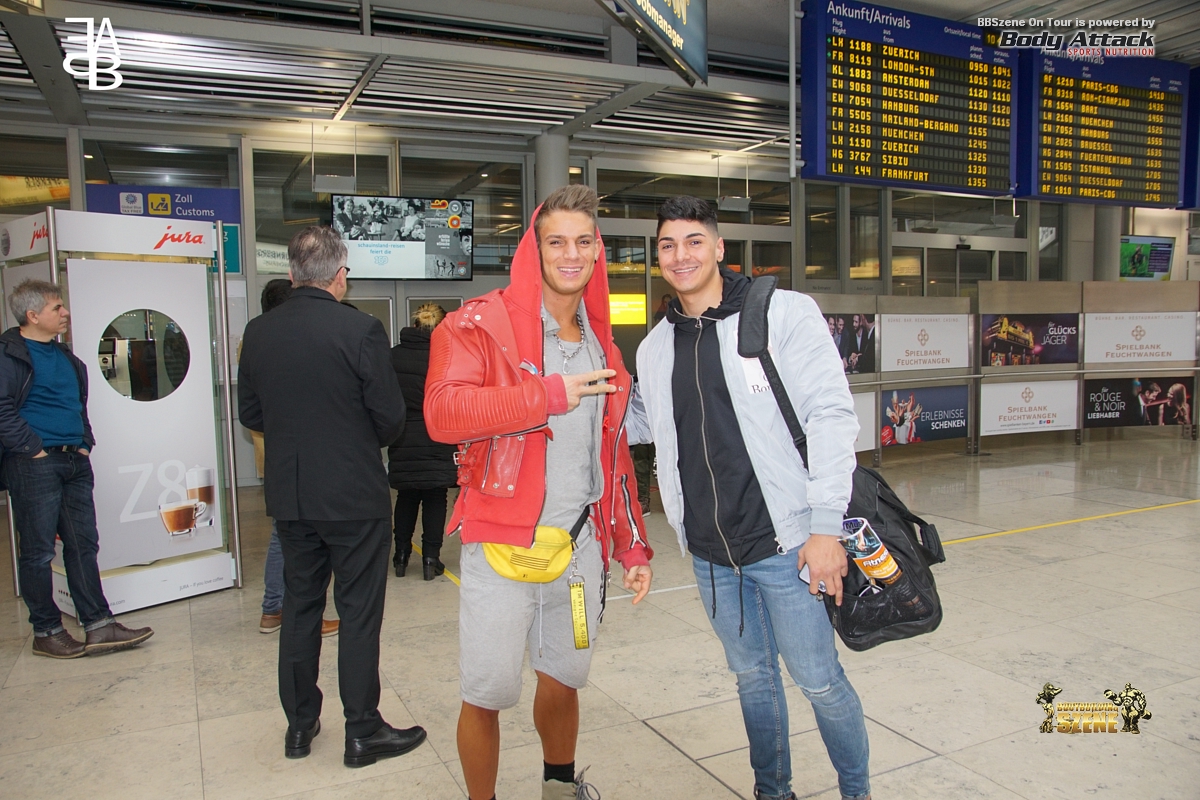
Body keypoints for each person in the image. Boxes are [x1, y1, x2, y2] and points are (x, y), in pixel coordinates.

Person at [628, 196, 871, 800]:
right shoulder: (656, 348)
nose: (681, 255)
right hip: (712, 554)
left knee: (819, 681)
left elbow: (832, 416)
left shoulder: (782, 314)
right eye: (667, 245)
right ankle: (772, 790)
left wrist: (825, 527)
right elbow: (642, 425)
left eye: (693, 241)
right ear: (658, 257)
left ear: (718, 248)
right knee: (752, 680)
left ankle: (857, 792)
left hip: (788, 544)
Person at [425, 184, 653, 800]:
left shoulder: (603, 345)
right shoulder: (477, 324)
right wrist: (544, 395)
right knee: (487, 693)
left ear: (598, 250)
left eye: (582, 242)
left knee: (564, 679)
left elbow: (613, 456)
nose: (570, 254)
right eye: (557, 242)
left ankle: (558, 788)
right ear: (535, 247)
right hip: (499, 548)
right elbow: (442, 414)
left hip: (578, 553)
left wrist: (630, 544)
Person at [239, 226, 427, 767]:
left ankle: (300, 727)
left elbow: (251, 413)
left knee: (300, 608)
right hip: (352, 497)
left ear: (292, 273)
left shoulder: (259, 331)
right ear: (340, 276)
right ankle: (362, 731)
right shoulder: (361, 329)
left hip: (292, 496)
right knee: (358, 612)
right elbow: (390, 420)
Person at [0, 279, 153, 658]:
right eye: (56, 307)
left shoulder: (65, 356)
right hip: (34, 465)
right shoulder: (8, 356)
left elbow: (76, 404)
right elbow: (2, 410)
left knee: (84, 545)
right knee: (38, 552)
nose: (65, 312)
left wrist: (84, 441)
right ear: (32, 315)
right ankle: (47, 631)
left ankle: (99, 625)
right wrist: (33, 449)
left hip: (74, 461)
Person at [251, 279, 338, 638]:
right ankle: (281, 608)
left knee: (284, 533)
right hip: (297, 456)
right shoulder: (283, 342)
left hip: (279, 456)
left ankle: (275, 607)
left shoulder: (257, 339)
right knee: (295, 539)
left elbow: (251, 411)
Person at [388, 303, 456, 580]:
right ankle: (430, 559)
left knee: (406, 495)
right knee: (435, 496)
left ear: (414, 325)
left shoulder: (392, 356)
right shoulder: (448, 357)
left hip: (403, 435)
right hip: (437, 434)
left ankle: (401, 555)